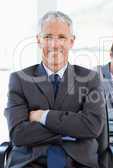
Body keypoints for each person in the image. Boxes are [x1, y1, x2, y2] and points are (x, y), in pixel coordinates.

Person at [4, 11, 106, 168]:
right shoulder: (19, 79)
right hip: (31, 162)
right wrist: (72, 129)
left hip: (79, 162)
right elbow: (18, 134)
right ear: (38, 40)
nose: (54, 44)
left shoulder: (90, 79)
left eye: (62, 37)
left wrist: (43, 116)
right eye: (48, 37)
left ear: (71, 42)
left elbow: (92, 127)